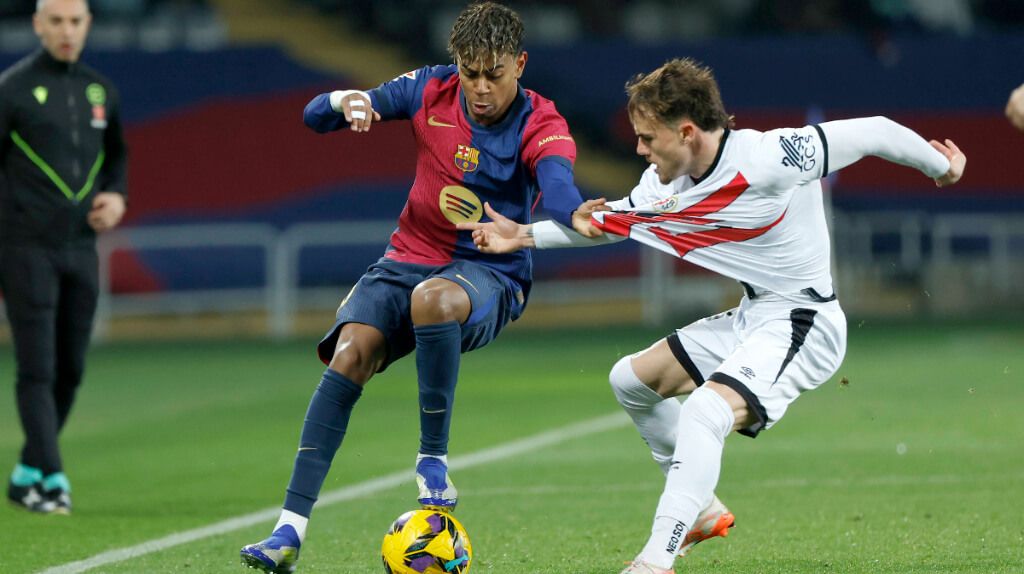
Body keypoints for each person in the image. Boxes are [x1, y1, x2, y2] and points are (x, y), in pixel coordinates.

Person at [459, 58, 966, 574]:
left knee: (705, 410)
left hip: (805, 322)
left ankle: (656, 560)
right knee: (630, 381)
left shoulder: (770, 157)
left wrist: (939, 166)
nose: (639, 149)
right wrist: (522, 235)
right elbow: (609, 223)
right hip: (753, 316)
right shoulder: (662, 185)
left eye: (647, 138)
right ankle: (700, 509)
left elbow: (876, 131)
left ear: (686, 132)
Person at [239, 3, 601, 572]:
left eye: (494, 74)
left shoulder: (541, 122)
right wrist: (344, 101)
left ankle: (433, 461)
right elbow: (315, 116)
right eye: (470, 72)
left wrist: (569, 216)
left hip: (490, 272)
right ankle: (288, 531)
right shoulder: (431, 89)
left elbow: (558, 191)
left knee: (432, 300)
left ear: (520, 64)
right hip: (407, 257)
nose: (480, 88)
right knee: (349, 353)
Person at [0, 0, 127, 516]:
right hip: (24, 248)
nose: (66, 30)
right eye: (56, 21)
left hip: (80, 248)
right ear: (38, 25)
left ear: (87, 25)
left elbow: (117, 155)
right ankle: (53, 480)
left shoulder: (100, 91)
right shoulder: (11, 90)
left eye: (75, 21)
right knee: (38, 368)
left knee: (70, 369)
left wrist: (116, 196)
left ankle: (26, 473)